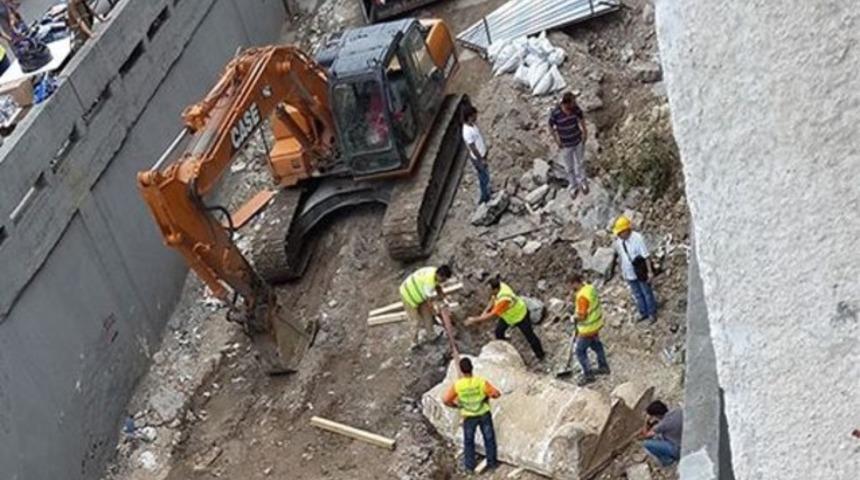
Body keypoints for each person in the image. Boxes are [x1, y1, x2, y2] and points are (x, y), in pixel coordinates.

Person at [442, 357, 500, 473]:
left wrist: (457, 406)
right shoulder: (480, 382)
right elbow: (496, 393)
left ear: (462, 371)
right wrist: (487, 397)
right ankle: (492, 463)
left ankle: (469, 466)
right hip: (483, 413)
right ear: (472, 368)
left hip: (469, 416)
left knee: (468, 441)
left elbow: (446, 400)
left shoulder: (458, 385)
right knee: (489, 438)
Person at [465, 278, 545, 361]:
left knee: (530, 337)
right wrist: (485, 311)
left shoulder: (504, 299)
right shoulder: (500, 286)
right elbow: (493, 300)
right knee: (498, 332)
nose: (488, 291)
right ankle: (504, 348)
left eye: (489, 290)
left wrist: (475, 320)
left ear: (495, 289)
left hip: (520, 316)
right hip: (508, 317)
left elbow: (492, 315)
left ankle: (540, 355)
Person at [613, 215, 658, 323]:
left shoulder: (637, 238)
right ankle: (643, 312)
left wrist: (650, 272)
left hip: (640, 271)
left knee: (646, 292)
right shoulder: (620, 242)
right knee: (637, 294)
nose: (619, 235)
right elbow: (621, 256)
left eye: (620, 232)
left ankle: (651, 313)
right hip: (628, 273)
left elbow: (646, 256)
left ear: (626, 230)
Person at [569, 273, 610, 386]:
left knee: (580, 351)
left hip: (587, 328)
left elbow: (582, 316)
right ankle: (603, 367)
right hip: (596, 325)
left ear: (575, 283)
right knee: (597, 346)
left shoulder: (582, 297)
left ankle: (588, 375)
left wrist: (574, 318)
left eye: (571, 285)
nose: (571, 288)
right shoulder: (590, 288)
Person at [399, 265, 453, 348]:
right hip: (408, 295)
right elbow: (429, 302)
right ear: (440, 275)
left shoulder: (435, 273)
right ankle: (414, 343)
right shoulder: (429, 282)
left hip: (420, 293)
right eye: (443, 279)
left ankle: (432, 337)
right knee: (415, 321)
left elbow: (438, 286)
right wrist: (435, 312)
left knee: (428, 317)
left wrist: (443, 298)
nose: (443, 281)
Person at [549, 92, 589, 198]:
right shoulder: (556, 113)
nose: (574, 104)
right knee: (569, 167)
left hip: (577, 140)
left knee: (580, 163)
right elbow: (550, 125)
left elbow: (581, 119)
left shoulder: (575, 109)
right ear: (566, 103)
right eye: (572, 103)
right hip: (566, 144)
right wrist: (556, 139)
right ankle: (573, 186)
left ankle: (583, 183)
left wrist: (585, 132)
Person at [462, 104, 492, 204]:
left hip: (481, 155)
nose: (476, 117)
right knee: (484, 176)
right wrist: (481, 159)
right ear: (470, 116)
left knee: (485, 175)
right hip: (478, 158)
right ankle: (485, 198)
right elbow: (473, 148)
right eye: (475, 115)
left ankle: (487, 193)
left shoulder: (472, 125)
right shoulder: (467, 132)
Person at [640, 400, 683, 466]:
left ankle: (667, 461)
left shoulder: (663, 425)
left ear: (656, 415)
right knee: (659, 436)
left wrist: (645, 421)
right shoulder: (678, 410)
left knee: (646, 444)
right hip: (685, 440)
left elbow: (646, 435)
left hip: (679, 449)